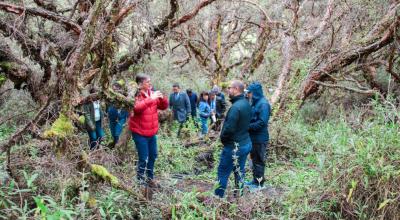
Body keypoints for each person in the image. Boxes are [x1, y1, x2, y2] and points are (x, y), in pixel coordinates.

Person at [128, 74, 169, 187]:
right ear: (140, 84)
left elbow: (164, 106)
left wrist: (162, 97)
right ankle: (140, 181)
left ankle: (150, 178)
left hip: (151, 132)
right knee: (143, 157)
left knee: (153, 155)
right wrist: (151, 99)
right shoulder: (136, 95)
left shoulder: (152, 93)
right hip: (140, 132)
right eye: (147, 82)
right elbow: (137, 108)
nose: (150, 83)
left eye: (150, 81)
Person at [215, 80, 252, 198]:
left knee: (223, 172)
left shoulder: (236, 108)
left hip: (234, 147)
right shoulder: (246, 103)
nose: (228, 90)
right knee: (239, 171)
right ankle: (239, 197)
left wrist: (224, 140)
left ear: (236, 89)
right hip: (245, 144)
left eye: (230, 88)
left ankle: (217, 199)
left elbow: (229, 129)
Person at [245, 82, 271, 189]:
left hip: (260, 138)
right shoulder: (255, 103)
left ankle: (259, 184)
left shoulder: (263, 104)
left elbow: (262, 122)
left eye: (249, 93)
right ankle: (255, 180)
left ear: (255, 93)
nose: (248, 95)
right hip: (253, 137)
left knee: (259, 160)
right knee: (254, 160)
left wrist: (247, 127)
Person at [107, 82, 129, 148]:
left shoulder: (124, 96)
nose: (114, 91)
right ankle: (114, 145)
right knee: (113, 134)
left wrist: (126, 116)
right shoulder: (110, 96)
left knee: (117, 133)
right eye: (113, 89)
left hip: (121, 117)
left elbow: (128, 105)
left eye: (115, 89)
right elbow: (107, 104)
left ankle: (117, 148)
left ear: (119, 89)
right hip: (112, 118)